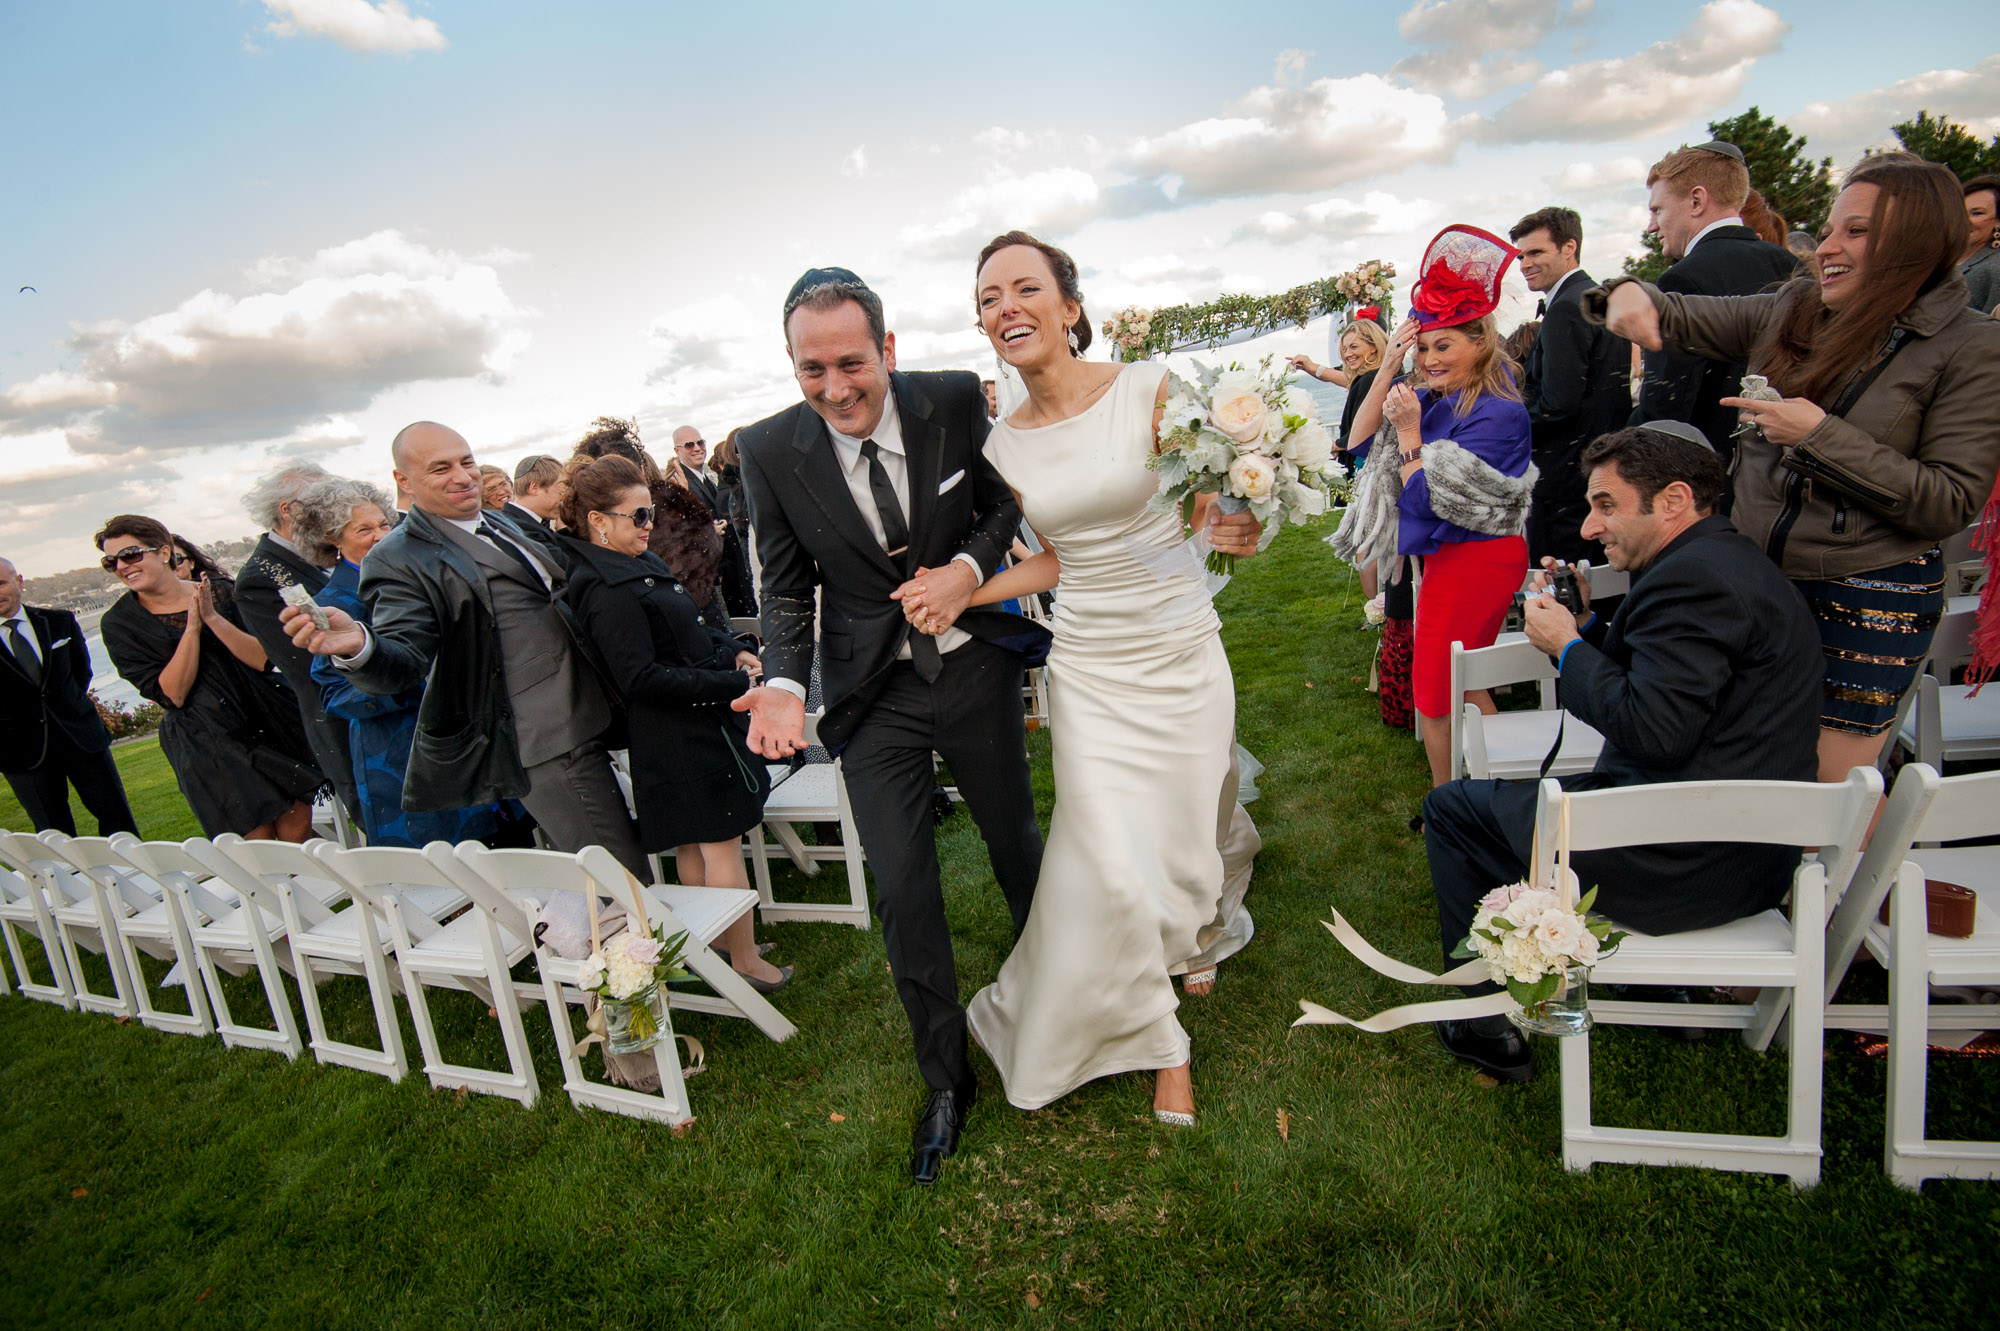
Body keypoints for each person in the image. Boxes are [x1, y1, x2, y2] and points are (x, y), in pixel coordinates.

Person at [903, 231, 1263, 1130]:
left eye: (1026, 288)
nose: (1006, 308)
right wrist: (966, 589)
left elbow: (1206, 501)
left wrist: (1235, 517)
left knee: (1188, 835)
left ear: (1070, 305)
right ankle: (1162, 1042)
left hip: (1180, 647)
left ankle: (1205, 924)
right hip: (1092, 664)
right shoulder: (1003, 446)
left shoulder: (1150, 389)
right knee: (1107, 860)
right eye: (989, 298)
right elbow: (1057, 560)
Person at [730, 265, 1052, 1184]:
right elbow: (785, 585)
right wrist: (787, 680)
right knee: (906, 888)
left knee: (1014, 842)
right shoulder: (767, 449)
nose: (835, 389)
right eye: (811, 370)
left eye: (851, 363)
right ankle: (945, 1078)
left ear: (889, 350)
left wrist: (966, 564)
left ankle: (1057, 1005)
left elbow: (1000, 505)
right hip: (872, 696)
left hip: (975, 665)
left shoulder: (952, 398)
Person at [1421, 424, 1822, 1082]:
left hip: (1687, 863)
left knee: (1453, 810)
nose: (1587, 526)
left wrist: (1568, 650)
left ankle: (1486, 1021)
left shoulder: (1693, 580)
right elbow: (1677, 684)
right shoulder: (1725, 562)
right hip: (1751, 851)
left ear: (1672, 500)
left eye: (1606, 504)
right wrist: (1590, 627)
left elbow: (1655, 728)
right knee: (1512, 808)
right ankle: (1659, 988)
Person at [1600, 154, 2000, 784]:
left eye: (1857, 232)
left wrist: (1818, 436)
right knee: (1752, 775)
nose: (1828, 247)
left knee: (1826, 799)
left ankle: (1847, 886)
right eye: (1832, 228)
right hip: (1764, 585)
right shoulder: (1793, 307)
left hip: (1866, 597)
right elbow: (1678, 314)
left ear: (1918, 240)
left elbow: (1949, 501)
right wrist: (1625, 294)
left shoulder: (1972, 346)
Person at [279, 422, 649, 876]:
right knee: (619, 874)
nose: (462, 476)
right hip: (543, 738)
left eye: (466, 461)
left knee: (620, 855)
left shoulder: (497, 521)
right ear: (403, 481)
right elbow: (406, 659)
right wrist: (361, 646)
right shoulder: (397, 557)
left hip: (595, 708)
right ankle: (641, 947)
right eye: (440, 468)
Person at [558, 454, 791, 992]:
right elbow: (642, 677)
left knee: (699, 846)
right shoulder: (605, 588)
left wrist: (731, 649)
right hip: (680, 733)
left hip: (690, 724)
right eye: (638, 516)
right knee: (717, 846)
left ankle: (726, 944)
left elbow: (682, 628)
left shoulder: (630, 563)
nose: (649, 526)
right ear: (599, 521)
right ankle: (746, 962)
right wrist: (734, 686)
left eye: (649, 515)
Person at [1342, 225, 1535, 790]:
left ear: (1481, 341)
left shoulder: (1499, 412)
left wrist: (1408, 437)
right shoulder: (1436, 397)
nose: (1429, 359)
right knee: (1466, 683)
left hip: (1478, 560)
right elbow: (1356, 440)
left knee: (1435, 691)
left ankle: (1450, 802)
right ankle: (1497, 794)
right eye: (1422, 348)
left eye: (1443, 345)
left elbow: (1431, 497)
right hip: (1444, 559)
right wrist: (1386, 367)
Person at [293, 477, 518, 849]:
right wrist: (416, 680)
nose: (379, 535)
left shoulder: (420, 574)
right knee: (454, 875)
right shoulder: (334, 603)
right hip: (404, 756)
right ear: (333, 539)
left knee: (514, 853)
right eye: (363, 529)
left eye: (384, 524)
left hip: (474, 738)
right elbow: (335, 694)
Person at [97, 515, 322, 840]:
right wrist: (192, 629)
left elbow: (262, 659)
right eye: (110, 561)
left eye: (130, 554)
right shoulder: (120, 624)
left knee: (295, 826)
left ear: (163, 552)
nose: (121, 566)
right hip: (207, 740)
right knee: (256, 841)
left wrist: (213, 619)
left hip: (266, 716)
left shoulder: (223, 592)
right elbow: (172, 694)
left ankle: (304, 888)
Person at [1628, 141, 1800, 494]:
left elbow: (1667, 406)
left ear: (1696, 201)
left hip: (1712, 481)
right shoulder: (1791, 266)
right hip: (1785, 476)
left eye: (1657, 210)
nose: (1651, 226)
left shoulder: (1683, 279)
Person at [231, 462, 361, 822]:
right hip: (345, 718)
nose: (332, 510)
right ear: (287, 510)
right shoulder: (259, 579)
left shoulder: (340, 550)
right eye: (320, 501)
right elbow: (305, 663)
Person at [1509, 206, 1632, 568]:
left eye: (1536, 253)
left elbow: (1557, 404)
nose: (1525, 264)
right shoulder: (1597, 295)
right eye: (1521, 255)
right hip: (1601, 461)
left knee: (1563, 578)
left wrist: (1504, 423)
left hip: (1565, 475)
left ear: (1569, 248)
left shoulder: (1565, 307)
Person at [0, 555, 138, 836]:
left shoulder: (59, 622)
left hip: (81, 736)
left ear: (18, 581)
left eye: (0, 583)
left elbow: (80, 673)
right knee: (53, 834)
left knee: (117, 820)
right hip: (20, 752)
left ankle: (139, 877)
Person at [1958, 173, 2000, 314]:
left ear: (1998, 221)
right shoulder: (1939, 256)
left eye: (1977, 213)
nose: (1965, 220)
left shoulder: (1995, 269)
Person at [506, 455, 563, 529]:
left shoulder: (516, 523)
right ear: (534, 488)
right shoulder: (516, 529)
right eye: (561, 493)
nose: (563, 500)